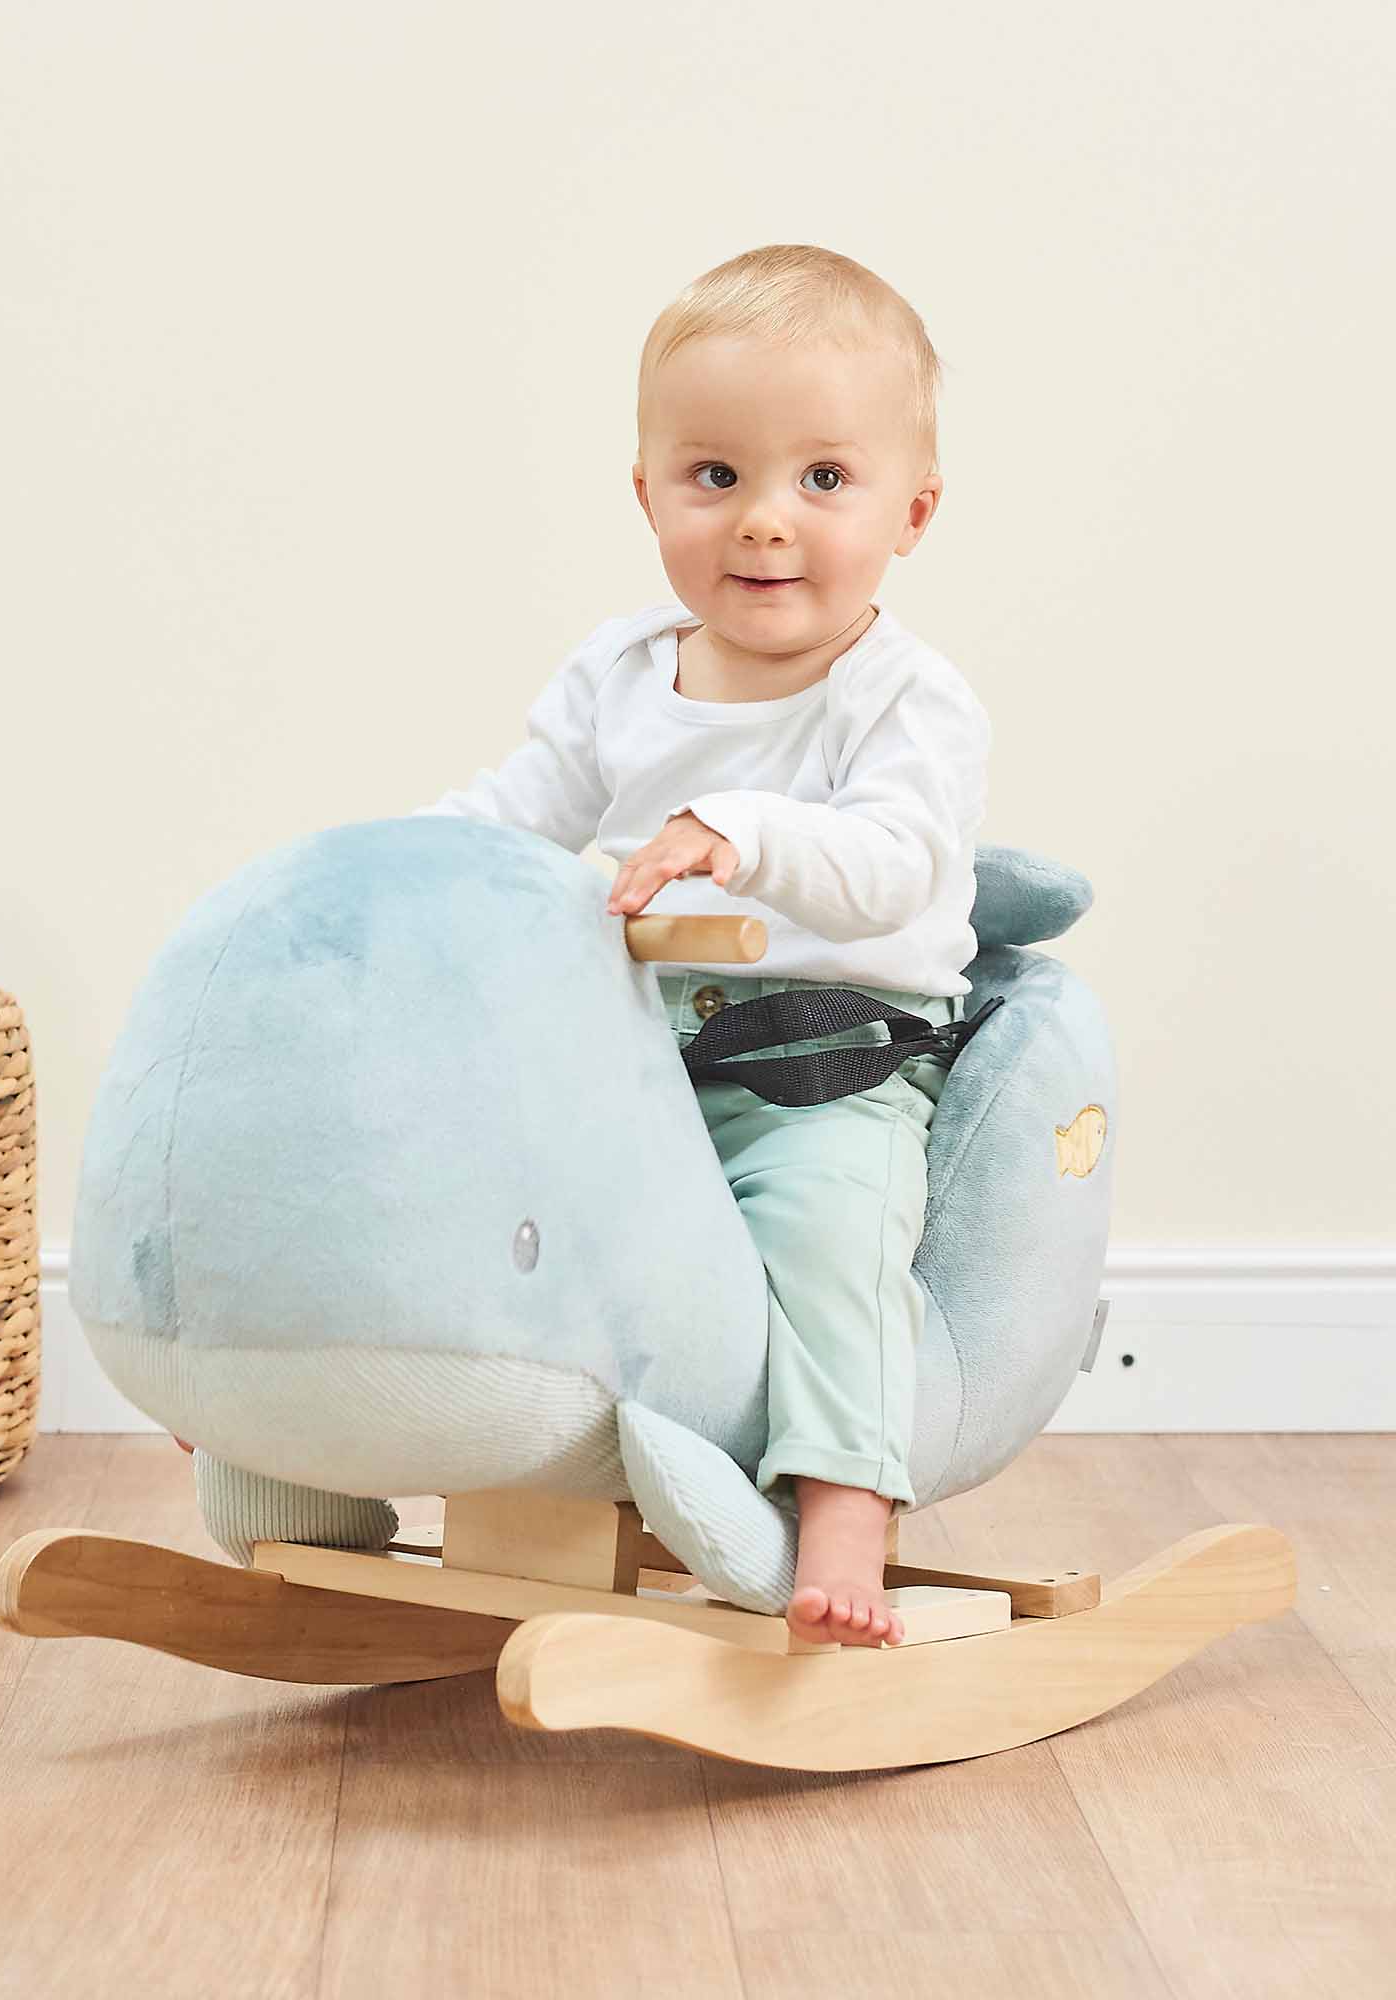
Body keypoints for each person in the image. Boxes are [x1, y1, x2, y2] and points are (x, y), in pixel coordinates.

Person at [415, 244, 991, 1648]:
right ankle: (330, 1425)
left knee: (827, 1229)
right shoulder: (618, 674)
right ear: (648, 492)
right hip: (625, 1059)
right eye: (716, 477)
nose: (764, 524)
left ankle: (849, 1495)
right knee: (450, 1175)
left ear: (913, 511)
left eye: (825, 480)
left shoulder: (905, 700)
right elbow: (514, 815)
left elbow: (897, 865)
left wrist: (740, 828)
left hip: (825, 1066)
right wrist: (408, 867)